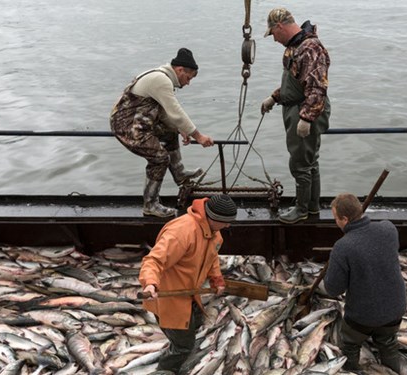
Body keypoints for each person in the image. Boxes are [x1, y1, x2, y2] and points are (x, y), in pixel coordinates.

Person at [110, 48, 214, 218]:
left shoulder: (161, 78)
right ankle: (150, 205)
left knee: (169, 132)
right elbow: (176, 111)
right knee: (159, 158)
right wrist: (199, 136)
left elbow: (165, 113)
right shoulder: (161, 80)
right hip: (127, 126)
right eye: (188, 78)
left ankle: (179, 173)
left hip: (140, 122)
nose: (188, 83)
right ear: (180, 70)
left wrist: (179, 129)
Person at [138, 194, 236, 374]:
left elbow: (212, 257)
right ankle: (165, 370)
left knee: (195, 324)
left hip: (192, 294)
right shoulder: (182, 232)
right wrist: (150, 284)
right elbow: (153, 261)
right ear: (214, 218)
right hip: (170, 298)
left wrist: (216, 279)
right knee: (183, 346)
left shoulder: (214, 233)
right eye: (226, 222)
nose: (229, 226)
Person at [261, 7, 331, 224]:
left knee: (300, 163)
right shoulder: (295, 47)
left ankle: (301, 210)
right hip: (295, 107)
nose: (273, 39)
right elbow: (294, 82)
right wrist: (274, 97)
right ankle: (312, 207)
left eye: (273, 33)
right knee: (310, 161)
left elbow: (317, 86)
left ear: (280, 26)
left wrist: (306, 118)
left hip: (306, 110)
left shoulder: (311, 48)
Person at [322, 193, 407, 372]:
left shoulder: (343, 246)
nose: (335, 222)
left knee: (350, 345)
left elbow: (333, 289)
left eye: (336, 218)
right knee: (388, 343)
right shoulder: (388, 228)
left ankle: (352, 370)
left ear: (344, 219)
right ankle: (394, 370)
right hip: (395, 308)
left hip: (363, 317)